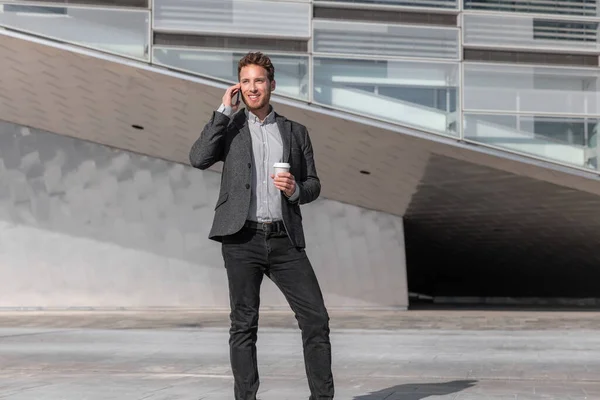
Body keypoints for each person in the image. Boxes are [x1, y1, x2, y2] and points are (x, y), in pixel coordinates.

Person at [189, 52, 334, 400]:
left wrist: (296, 189)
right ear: (239, 86)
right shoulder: (230, 127)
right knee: (243, 324)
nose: (253, 87)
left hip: (285, 240)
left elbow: (313, 183)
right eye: (246, 81)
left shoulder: (295, 132)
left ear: (272, 84)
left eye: (259, 80)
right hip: (241, 239)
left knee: (316, 318)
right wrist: (223, 111)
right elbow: (198, 158)